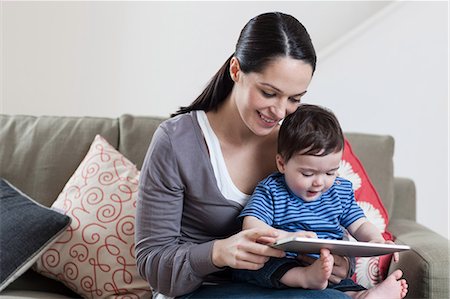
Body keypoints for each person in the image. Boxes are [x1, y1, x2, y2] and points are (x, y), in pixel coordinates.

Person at [136, 12, 357, 298]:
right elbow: (152, 263)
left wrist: (340, 265)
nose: (280, 112)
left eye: (294, 99)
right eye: (268, 93)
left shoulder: (297, 146)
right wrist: (218, 252)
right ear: (236, 71)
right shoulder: (177, 142)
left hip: (285, 285)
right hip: (204, 290)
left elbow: (331, 217)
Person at [233, 104, 409, 298]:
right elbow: (251, 224)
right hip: (282, 261)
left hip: (325, 265)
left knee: (340, 282)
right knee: (258, 264)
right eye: (307, 173)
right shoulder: (271, 189)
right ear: (282, 164)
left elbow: (359, 225)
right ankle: (304, 277)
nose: (319, 182)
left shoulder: (340, 191)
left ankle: (361, 295)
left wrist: (377, 240)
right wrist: (284, 236)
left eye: (330, 173)